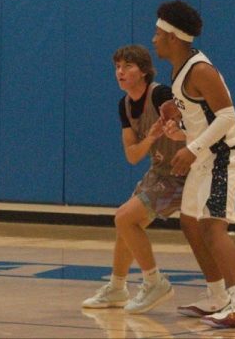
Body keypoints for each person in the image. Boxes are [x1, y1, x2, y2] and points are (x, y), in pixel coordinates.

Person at [153, 0, 235, 329]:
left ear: (173, 37)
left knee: (214, 228)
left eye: (157, 33)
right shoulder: (180, 69)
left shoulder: (200, 70)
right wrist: (180, 129)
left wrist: (194, 147)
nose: (153, 39)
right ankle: (217, 296)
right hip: (206, 157)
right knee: (190, 223)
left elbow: (228, 116)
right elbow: (203, 118)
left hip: (224, 157)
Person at [81, 45, 185, 315]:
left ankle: (154, 281)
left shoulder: (161, 94)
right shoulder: (125, 105)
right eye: (117, 67)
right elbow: (132, 155)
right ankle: (117, 287)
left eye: (127, 66)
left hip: (183, 174)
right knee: (126, 225)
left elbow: (193, 126)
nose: (120, 72)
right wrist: (151, 137)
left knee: (124, 218)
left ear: (143, 71)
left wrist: (176, 130)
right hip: (158, 172)